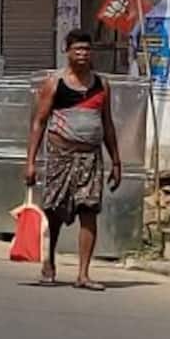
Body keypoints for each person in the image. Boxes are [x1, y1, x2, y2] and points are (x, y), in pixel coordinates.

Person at [25, 29, 123, 290]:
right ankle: (48, 263)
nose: (82, 54)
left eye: (86, 50)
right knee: (54, 211)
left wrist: (116, 161)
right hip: (60, 156)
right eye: (77, 49)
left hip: (91, 158)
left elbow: (108, 124)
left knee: (89, 210)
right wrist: (31, 162)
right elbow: (39, 123)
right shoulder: (55, 83)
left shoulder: (102, 85)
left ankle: (83, 274)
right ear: (67, 51)